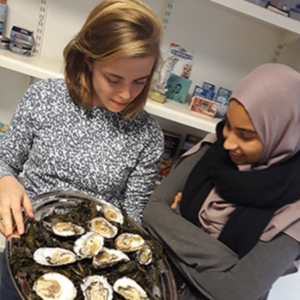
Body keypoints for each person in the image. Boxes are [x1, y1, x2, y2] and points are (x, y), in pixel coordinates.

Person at [0, 0, 164, 298]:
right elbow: (5, 161)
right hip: (25, 251)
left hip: (90, 273)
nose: (126, 94)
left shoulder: (148, 135)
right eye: (113, 79)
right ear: (88, 60)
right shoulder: (43, 97)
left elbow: (132, 217)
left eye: (140, 81)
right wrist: (5, 181)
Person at [143, 63, 300, 300]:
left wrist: (170, 235)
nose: (227, 143)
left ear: (283, 133)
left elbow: (236, 292)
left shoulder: (295, 207)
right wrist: (229, 264)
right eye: (228, 125)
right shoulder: (212, 149)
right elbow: (153, 211)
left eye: (246, 135)